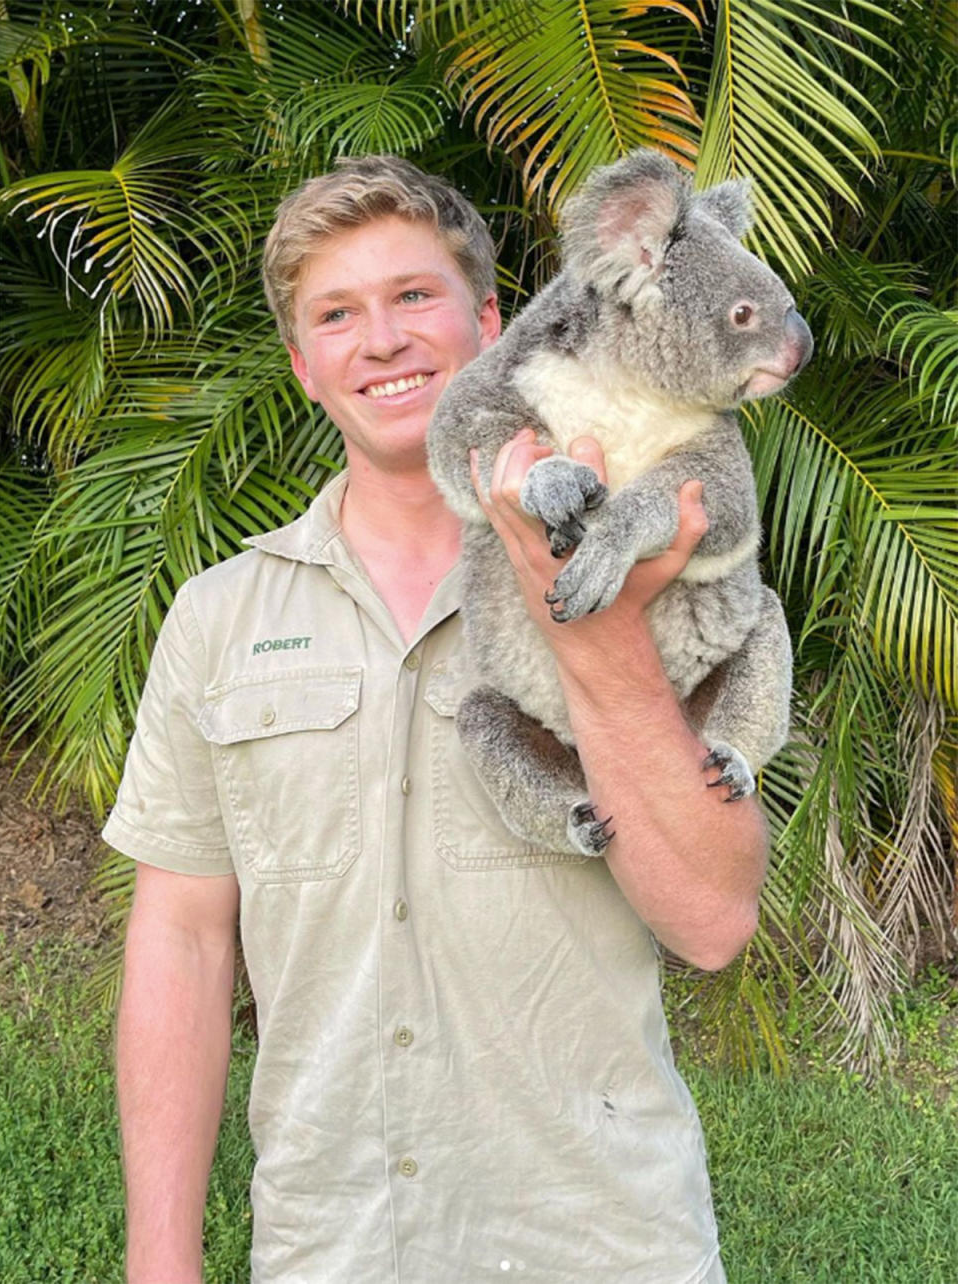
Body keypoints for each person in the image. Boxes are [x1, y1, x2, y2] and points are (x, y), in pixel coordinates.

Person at [107, 154, 768, 1284]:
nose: (383, 340)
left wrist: (596, 634)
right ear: (304, 364)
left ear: (493, 321)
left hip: (604, 1248)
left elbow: (711, 920)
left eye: (415, 296)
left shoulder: (664, 558)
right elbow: (181, 941)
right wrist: (159, 1261)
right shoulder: (220, 618)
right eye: (337, 314)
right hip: (332, 1249)